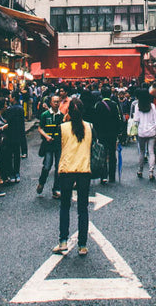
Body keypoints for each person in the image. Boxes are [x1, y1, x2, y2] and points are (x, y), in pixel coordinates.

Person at [54, 94, 93, 257]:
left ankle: (63, 241)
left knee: (65, 206)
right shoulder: (90, 127)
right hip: (84, 170)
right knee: (83, 209)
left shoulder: (62, 128)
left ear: (68, 112)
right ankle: (82, 245)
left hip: (67, 170)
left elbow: (58, 148)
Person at [90, 89, 119, 184]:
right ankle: (112, 176)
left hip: (101, 134)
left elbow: (95, 120)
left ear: (102, 94)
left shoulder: (98, 105)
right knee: (112, 154)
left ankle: (103, 176)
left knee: (102, 154)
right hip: (113, 133)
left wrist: (96, 134)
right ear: (110, 94)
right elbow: (118, 119)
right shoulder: (114, 105)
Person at [37, 93, 63, 196]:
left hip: (58, 144)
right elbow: (40, 128)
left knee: (58, 167)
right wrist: (47, 137)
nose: (56, 104)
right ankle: (41, 182)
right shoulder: (45, 115)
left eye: (58, 102)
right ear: (51, 103)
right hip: (48, 145)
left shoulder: (62, 116)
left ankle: (56, 189)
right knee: (47, 165)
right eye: (54, 102)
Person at [132, 89, 156, 180]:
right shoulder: (152, 106)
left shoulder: (137, 106)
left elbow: (136, 119)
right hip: (151, 131)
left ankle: (140, 170)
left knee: (142, 152)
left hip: (142, 131)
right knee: (151, 152)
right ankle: (151, 172)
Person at [2, 95, 27, 183]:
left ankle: (12, 173)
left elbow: (6, 121)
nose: (9, 99)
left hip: (9, 135)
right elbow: (22, 124)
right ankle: (17, 173)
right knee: (17, 155)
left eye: (10, 97)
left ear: (14, 98)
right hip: (18, 135)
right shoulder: (21, 108)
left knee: (9, 155)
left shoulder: (9, 110)